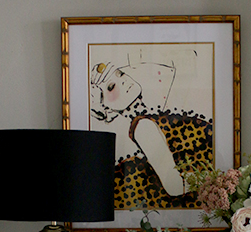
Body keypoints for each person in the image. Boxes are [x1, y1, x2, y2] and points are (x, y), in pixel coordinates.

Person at [89, 57, 212, 210]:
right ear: (105, 107)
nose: (123, 81)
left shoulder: (151, 119)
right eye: (111, 87)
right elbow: (176, 187)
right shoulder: (143, 127)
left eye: (120, 74)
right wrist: (212, 184)